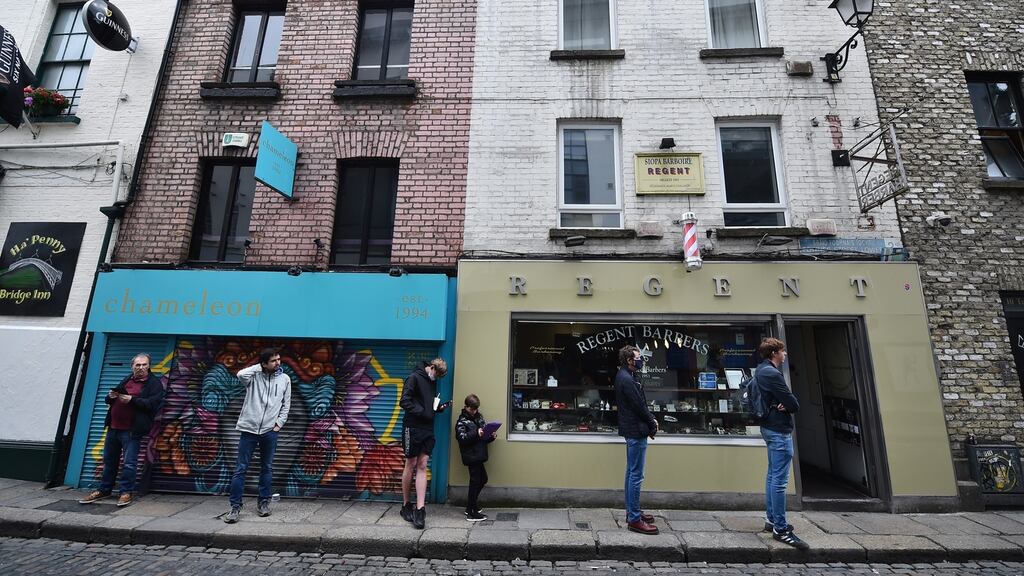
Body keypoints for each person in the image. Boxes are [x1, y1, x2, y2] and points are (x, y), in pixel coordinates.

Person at [79, 353, 165, 507]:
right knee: (109, 461)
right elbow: (110, 400)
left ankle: (126, 492)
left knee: (129, 463)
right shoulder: (127, 379)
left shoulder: (154, 383)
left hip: (131, 430)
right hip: (113, 428)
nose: (141, 368)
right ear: (132, 366)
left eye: (144, 365)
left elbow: (153, 404)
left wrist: (132, 400)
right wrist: (110, 396)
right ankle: (104, 489)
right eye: (137, 365)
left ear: (149, 366)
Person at [223, 347, 292, 524]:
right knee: (241, 469)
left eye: (279, 359)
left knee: (267, 468)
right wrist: (258, 368)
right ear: (263, 364)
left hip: (270, 431)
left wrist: (279, 424)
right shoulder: (253, 377)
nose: (278, 363)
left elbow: (286, 404)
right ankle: (235, 507)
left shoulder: (285, 379)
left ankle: (263, 503)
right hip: (249, 430)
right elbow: (240, 374)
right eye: (274, 361)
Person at [755, 337, 809, 550]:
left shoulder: (761, 370)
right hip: (778, 430)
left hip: (769, 427)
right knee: (779, 480)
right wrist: (788, 405)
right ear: (774, 353)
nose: (785, 355)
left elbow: (786, 402)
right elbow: (793, 403)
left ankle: (771, 519)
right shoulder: (771, 373)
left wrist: (785, 404)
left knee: (772, 476)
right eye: (783, 351)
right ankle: (780, 527)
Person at [398, 358, 450, 529]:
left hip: (427, 429)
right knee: (410, 463)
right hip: (412, 427)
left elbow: (429, 406)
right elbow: (404, 401)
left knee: (423, 464)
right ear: (432, 367)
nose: (437, 378)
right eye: (437, 374)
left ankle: (420, 508)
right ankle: (406, 505)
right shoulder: (414, 377)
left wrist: (438, 409)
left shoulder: (431, 382)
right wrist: (422, 412)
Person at [614, 345, 659, 535]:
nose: (641, 360)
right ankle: (634, 518)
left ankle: (632, 511)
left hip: (632, 428)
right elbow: (639, 406)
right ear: (629, 361)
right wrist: (652, 422)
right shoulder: (627, 380)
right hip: (635, 429)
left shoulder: (628, 376)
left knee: (630, 472)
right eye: (638, 357)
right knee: (636, 474)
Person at [455, 394, 496, 522]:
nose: (475, 411)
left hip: (480, 454)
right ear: (466, 407)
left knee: (483, 479)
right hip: (471, 456)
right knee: (475, 482)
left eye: (476, 409)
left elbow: (483, 437)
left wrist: (491, 436)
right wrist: (476, 432)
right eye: (472, 409)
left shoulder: (479, 417)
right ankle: (471, 512)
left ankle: (471, 506)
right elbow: (462, 439)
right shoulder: (461, 421)